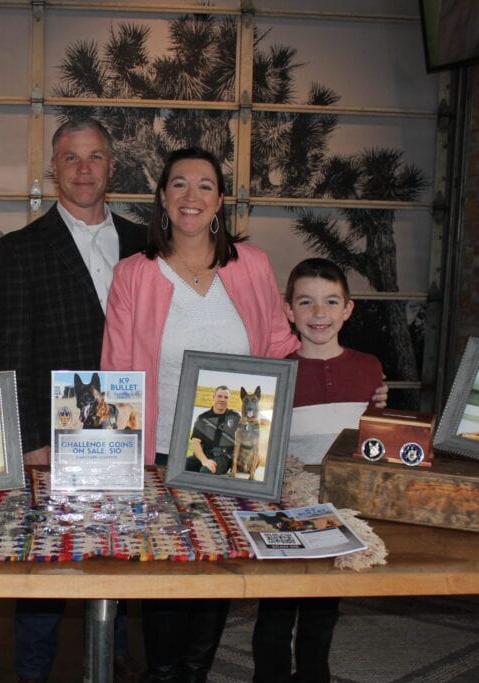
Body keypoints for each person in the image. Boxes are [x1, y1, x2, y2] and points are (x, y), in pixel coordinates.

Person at [100, 147, 301, 682]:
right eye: (180, 185)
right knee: (166, 582)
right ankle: (165, 675)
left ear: (220, 201)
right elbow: (116, 369)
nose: (192, 197)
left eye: (205, 185)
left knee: (217, 573)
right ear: (163, 198)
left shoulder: (252, 264)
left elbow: (283, 348)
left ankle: (195, 675)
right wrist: (118, 465)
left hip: (233, 456)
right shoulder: (133, 274)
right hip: (161, 455)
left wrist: (348, 386)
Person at [0, 117, 147, 683]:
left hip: (131, 428)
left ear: (112, 166)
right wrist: (30, 440)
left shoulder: (144, 241)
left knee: (123, 549)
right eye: (71, 158)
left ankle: (119, 664)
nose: (84, 169)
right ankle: (32, 672)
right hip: (56, 434)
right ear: (52, 168)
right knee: (48, 564)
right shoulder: (22, 248)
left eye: (95, 157)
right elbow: (9, 354)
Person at [250, 257, 385, 683]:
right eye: (306, 303)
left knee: (322, 610)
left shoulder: (370, 369)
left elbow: (375, 440)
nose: (319, 314)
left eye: (331, 302)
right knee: (275, 609)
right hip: (283, 507)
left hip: (339, 509)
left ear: (348, 309)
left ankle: (314, 675)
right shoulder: (276, 371)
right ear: (288, 310)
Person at [186, 385, 239, 474]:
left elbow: (247, 428)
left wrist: (260, 421)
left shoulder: (234, 417)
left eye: (226, 397)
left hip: (222, 458)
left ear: (229, 400)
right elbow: (195, 442)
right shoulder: (203, 417)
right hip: (202, 456)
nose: (222, 400)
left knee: (206, 470)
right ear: (213, 397)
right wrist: (204, 460)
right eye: (219, 396)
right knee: (182, 465)